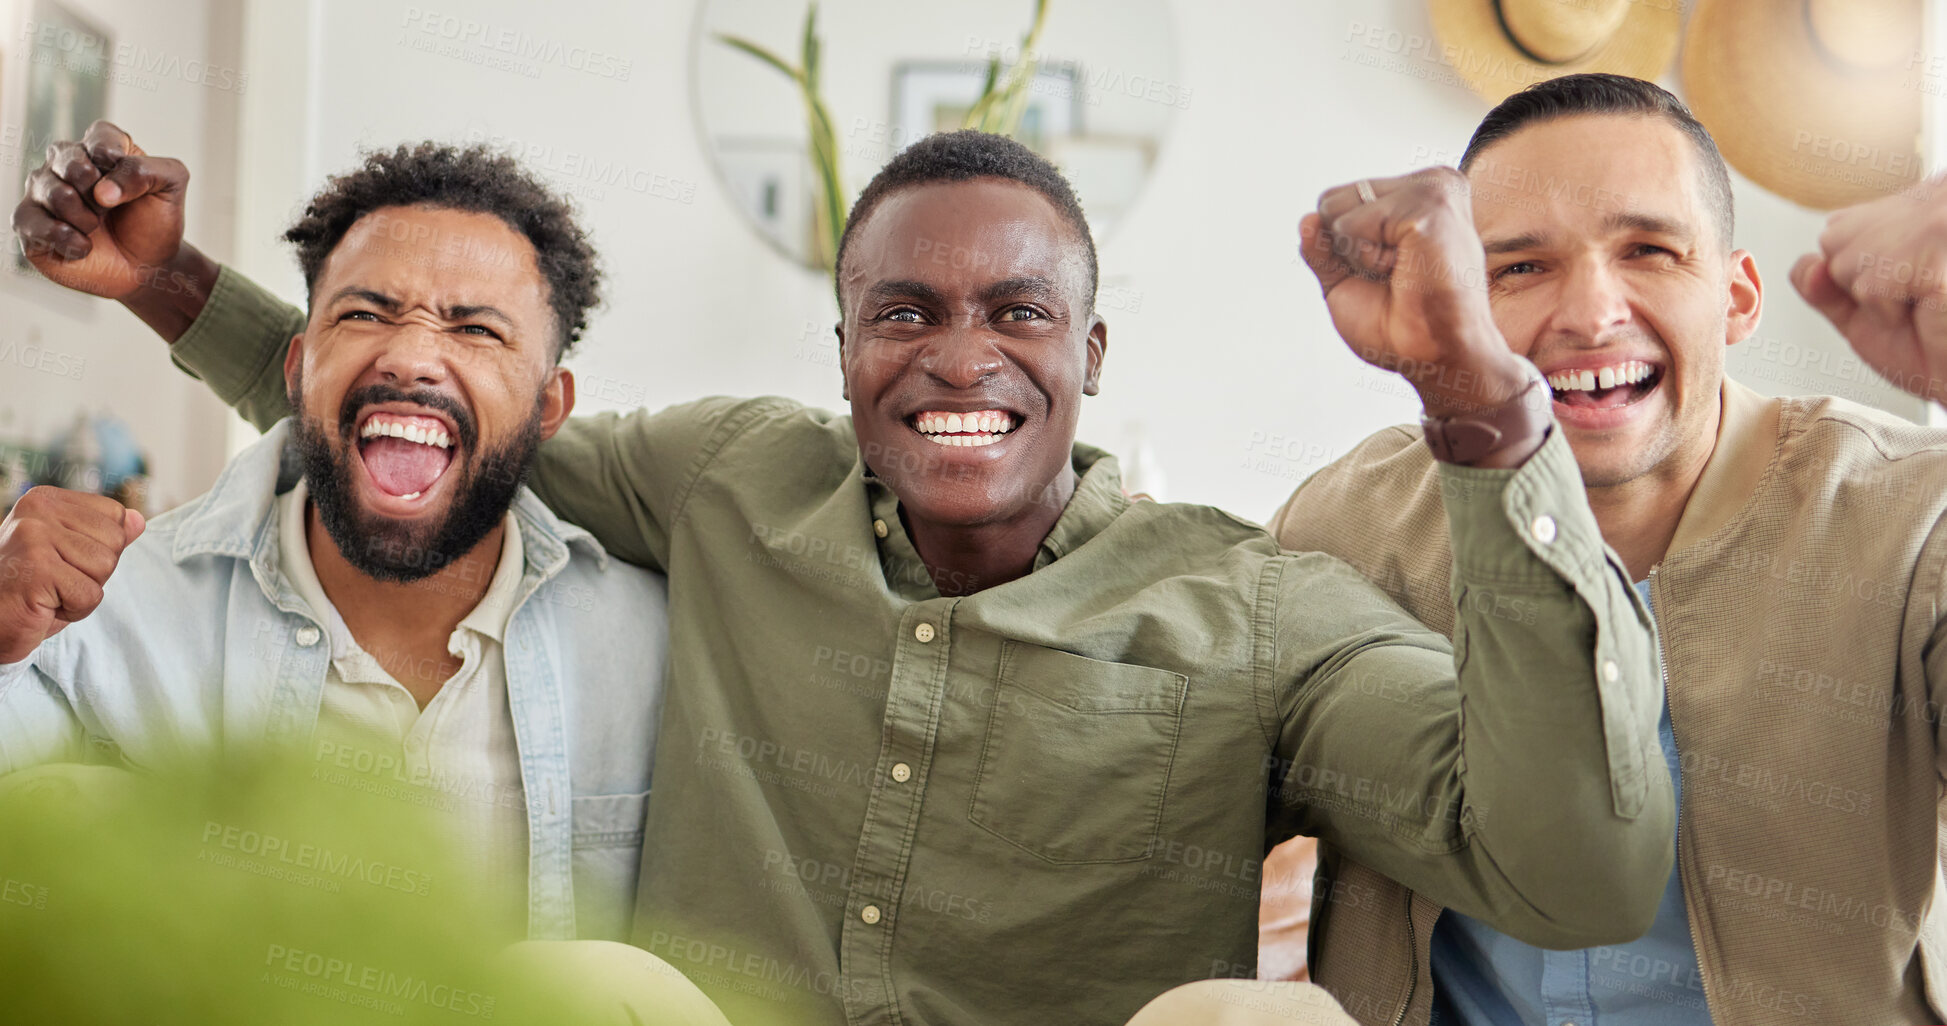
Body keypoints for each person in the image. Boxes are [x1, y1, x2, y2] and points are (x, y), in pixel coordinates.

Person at [15, 123, 1669, 1026]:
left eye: (1015, 312)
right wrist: (170, 285)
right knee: (577, 984)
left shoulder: (1248, 605)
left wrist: (1476, 398)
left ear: (1088, 350)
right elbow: (449, 419)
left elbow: (1576, 876)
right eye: (906, 312)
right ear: (845, 347)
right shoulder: (736, 478)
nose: (961, 355)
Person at [1262, 73, 1947, 1026]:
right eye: (1518, 268)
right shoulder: (1344, 524)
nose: (1590, 313)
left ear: (1737, 297)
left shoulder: (1910, 520)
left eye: (1649, 251)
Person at [0, 142, 672, 946]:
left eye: (477, 329)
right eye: (364, 314)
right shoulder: (112, 610)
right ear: (297, 365)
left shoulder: (653, 648)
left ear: (548, 407)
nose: (413, 356)